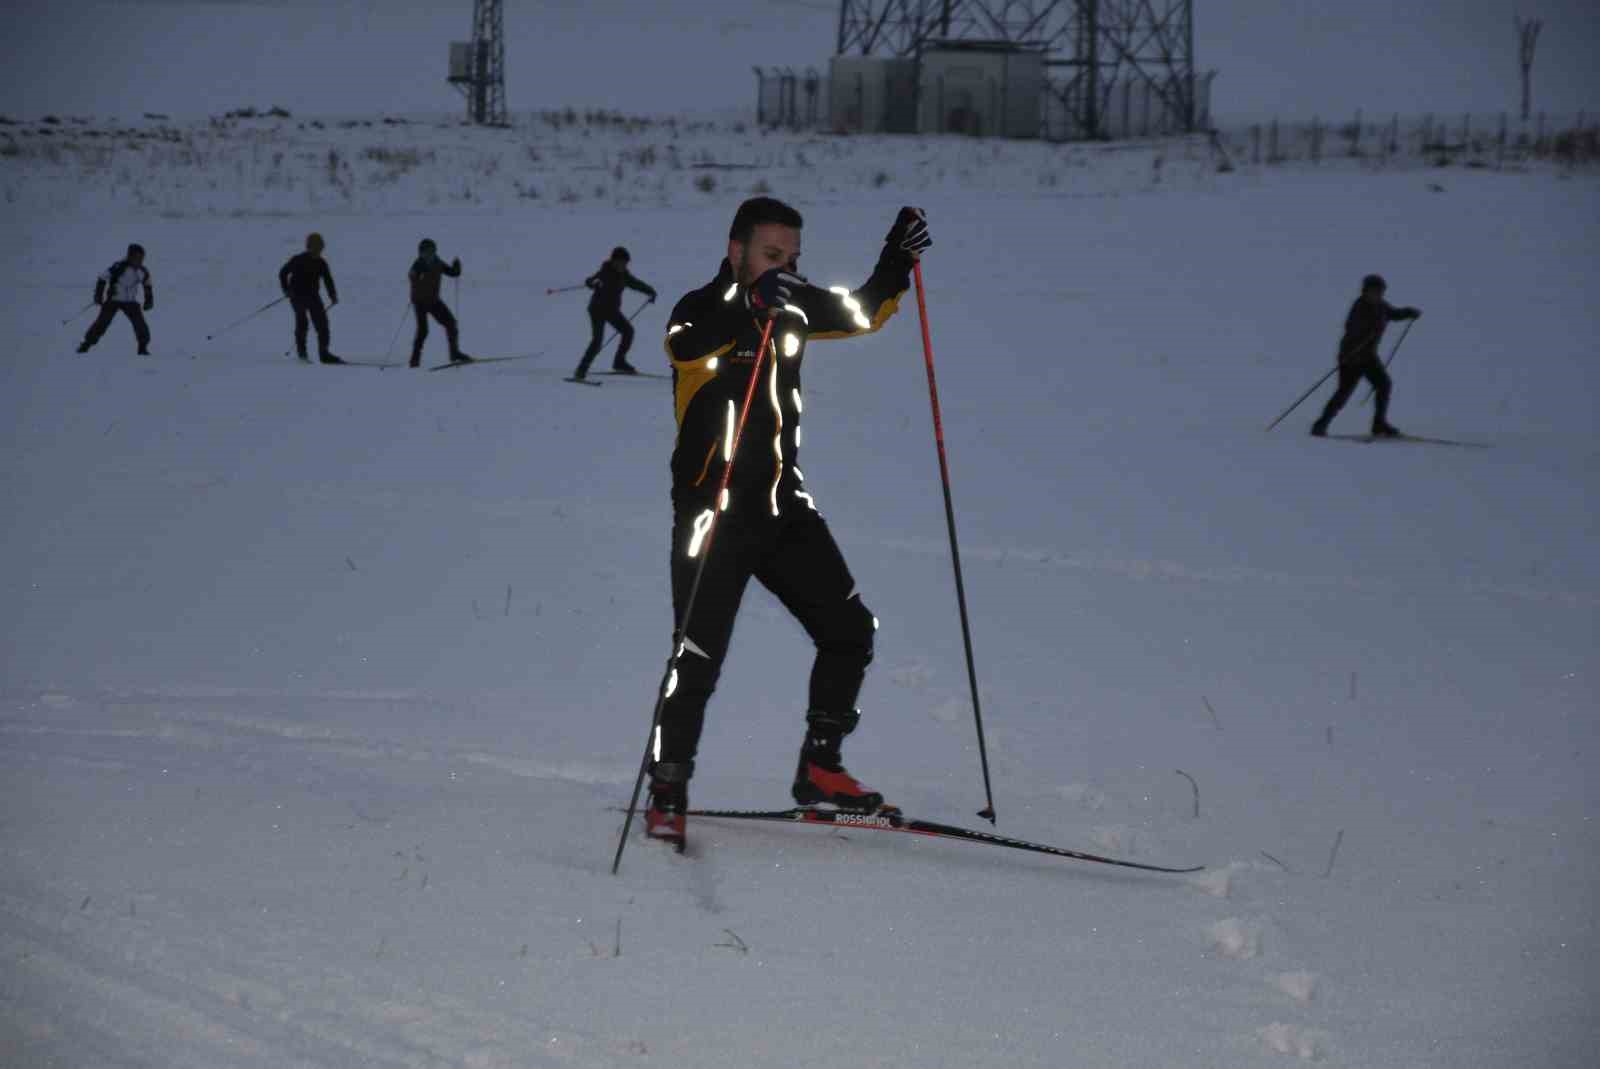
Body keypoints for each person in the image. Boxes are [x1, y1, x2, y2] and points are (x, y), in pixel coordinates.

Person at [642, 197, 933, 848]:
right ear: (736, 248)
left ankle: (821, 768)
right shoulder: (701, 309)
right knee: (697, 656)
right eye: (772, 256)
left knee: (850, 630)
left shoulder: (793, 305)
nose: (785, 267)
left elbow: (863, 310)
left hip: (781, 507)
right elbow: (682, 343)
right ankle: (667, 784)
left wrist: (899, 259)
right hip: (711, 514)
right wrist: (751, 305)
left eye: (793, 257)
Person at [1311, 274, 1421, 438]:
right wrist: (1365, 333)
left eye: (1380, 291)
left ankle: (1379, 424)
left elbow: (1394, 314)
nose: (1377, 294)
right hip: (1351, 357)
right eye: (1373, 291)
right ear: (1365, 291)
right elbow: (1351, 326)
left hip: (1368, 356)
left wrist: (1409, 312)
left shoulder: (1381, 306)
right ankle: (1320, 426)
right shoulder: (1359, 307)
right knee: (1344, 393)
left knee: (1384, 385)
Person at [573, 246, 656, 379]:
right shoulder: (605, 272)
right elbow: (591, 280)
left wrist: (650, 291)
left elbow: (635, 283)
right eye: (621, 262)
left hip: (612, 310)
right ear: (613, 261)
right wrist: (592, 283)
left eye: (625, 263)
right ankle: (581, 371)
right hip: (597, 310)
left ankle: (619, 362)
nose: (623, 265)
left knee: (628, 331)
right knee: (597, 341)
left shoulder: (624, 275)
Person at [278, 232, 342, 364]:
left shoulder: (321, 263)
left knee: (322, 325)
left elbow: (328, 280)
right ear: (309, 247)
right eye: (317, 248)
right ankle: (302, 354)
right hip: (297, 296)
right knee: (303, 323)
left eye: (321, 248)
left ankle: (324, 355)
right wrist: (286, 290)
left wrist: (333, 295)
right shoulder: (298, 260)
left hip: (313, 296)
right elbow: (283, 273)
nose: (319, 251)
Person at [77, 243, 153, 355]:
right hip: (113, 300)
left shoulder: (142, 271)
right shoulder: (119, 267)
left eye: (141, 258)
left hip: (130, 302)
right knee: (102, 323)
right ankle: (86, 345)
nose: (140, 260)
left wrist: (148, 300)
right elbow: (102, 278)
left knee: (140, 325)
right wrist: (99, 295)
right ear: (130, 256)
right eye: (137, 258)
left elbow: (147, 284)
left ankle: (142, 348)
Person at [408, 238, 470, 367]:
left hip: (433, 301)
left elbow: (452, 273)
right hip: (420, 302)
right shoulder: (418, 265)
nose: (429, 255)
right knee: (423, 331)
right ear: (420, 253)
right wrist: (416, 277)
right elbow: (412, 277)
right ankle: (414, 360)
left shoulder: (438, 263)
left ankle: (454, 354)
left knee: (451, 323)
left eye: (431, 252)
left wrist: (456, 268)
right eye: (425, 252)